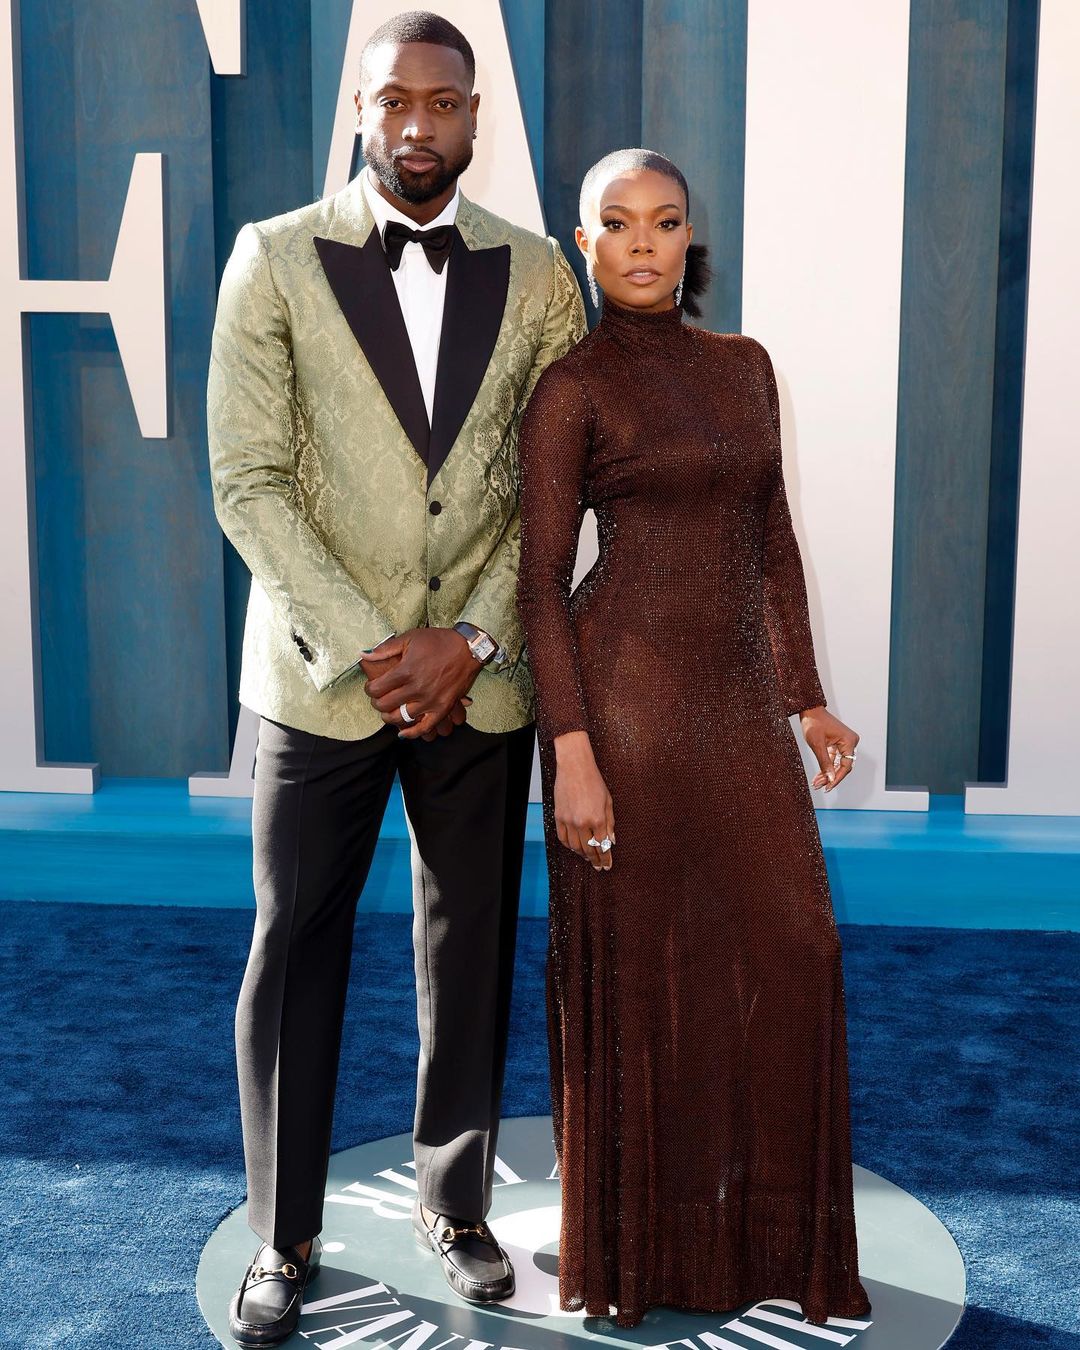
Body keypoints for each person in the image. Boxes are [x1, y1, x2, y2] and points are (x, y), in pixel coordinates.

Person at [207, 12, 585, 1346]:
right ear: (360, 111)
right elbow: (249, 480)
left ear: (475, 114)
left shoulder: (540, 275)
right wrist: (381, 645)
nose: (417, 125)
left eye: (443, 101)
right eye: (393, 101)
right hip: (322, 680)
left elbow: (555, 492)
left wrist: (469, 638)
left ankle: (455, 1205)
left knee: (468, 942)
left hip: (482, 679)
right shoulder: (272, 258)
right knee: (293, 946)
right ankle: (283, 1235)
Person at [516, 148, 871, 1328]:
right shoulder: (571, 389)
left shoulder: (744, 367)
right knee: (644, 976)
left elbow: (771, 537)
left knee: (793, 949)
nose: (643, 243)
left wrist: (804, 698)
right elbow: (539, 583)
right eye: (617, 224)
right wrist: (570, 750)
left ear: (688, 239)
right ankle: (643, 1258)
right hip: (622, 708)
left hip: (735, 703)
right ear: (584, 244)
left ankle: (765, 1247)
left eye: (664, 223)